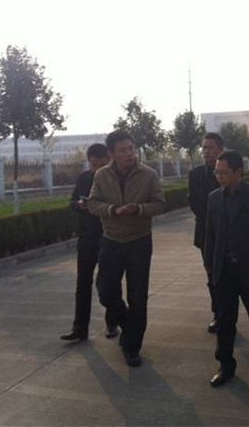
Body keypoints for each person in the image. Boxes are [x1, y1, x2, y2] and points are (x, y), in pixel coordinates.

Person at [87, 129, 166, 367]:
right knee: (105, 291)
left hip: (139, 241)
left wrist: (139, 209)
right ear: (111, 154)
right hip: (111, 240)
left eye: (131, 148)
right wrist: (113, 210)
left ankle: (132, 347)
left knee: (138, 297)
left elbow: (160, 204)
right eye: (123, 150)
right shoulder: (101, 175)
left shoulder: (149, 175)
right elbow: (93, 203)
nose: (130, 153)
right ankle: (129, 327)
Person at [203, 150, 249, 387]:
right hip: (224, 268)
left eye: (224, 172)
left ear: (239, 172)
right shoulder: (214, 198)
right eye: (216, 172)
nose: (219, 177)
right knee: (225, 318)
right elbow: (210, 233)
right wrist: (209, 262)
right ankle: (225, 364)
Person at [60, 144, 118, 342]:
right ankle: (80, 328)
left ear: (109, 160)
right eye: (94, 165)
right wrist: (78, 205)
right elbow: (72, 201)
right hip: (87, 238)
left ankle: (112, 322)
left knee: (108, 283)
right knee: (82, 283)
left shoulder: (115, 179)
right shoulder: (84, 178)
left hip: (109, 237)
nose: (97, 169)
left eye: (102, 165)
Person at [188, 132, 225, 333]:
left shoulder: (229, 172)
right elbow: (195, 203)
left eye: (210, 147)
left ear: (220, 149)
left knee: (229, 277)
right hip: (206, 234)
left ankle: (228, 313)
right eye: (204, 147)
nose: (206, 151)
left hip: (229, 234)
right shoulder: (195, 175)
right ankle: (218, 314)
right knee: (212, 275)